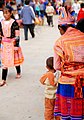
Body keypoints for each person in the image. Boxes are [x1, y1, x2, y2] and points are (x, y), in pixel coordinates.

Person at [54, 19, 84, 120]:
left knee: (67, 112)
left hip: (67, 82)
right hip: (82, 79)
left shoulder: (60, 41)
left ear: (60, 29)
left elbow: (56, 66)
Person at [0, 6, 24, 87]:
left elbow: (17, 35)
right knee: (4, 63)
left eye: (7, 13)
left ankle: (18, 72)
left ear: (10, 13)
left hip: (12, 44)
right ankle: (3, 79)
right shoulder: (1, 22)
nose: (5, 15)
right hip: (4, 44)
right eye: (4, 13)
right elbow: (0, 34)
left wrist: (16, 45)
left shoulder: (14, 23)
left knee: (15, 59)